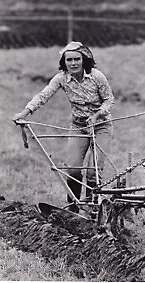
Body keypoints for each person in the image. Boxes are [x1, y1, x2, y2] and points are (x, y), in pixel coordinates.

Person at [12, 41, 115, 213]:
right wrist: (24, 113)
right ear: (64, 62)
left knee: (92, 171)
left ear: (84, 60)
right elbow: (43, 96)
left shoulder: (97, 76)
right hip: (78, 127)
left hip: (101, 126)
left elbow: (109, 99)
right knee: (73, 169)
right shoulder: (61, 79)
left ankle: (93, 209)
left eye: (76, 59)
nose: (73, 63)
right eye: (69, 60)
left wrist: (97, 116)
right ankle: (73, 208)